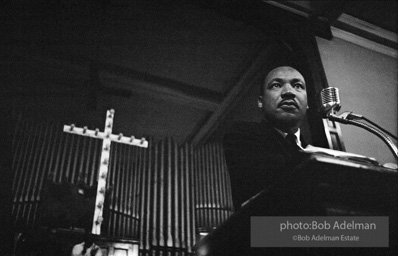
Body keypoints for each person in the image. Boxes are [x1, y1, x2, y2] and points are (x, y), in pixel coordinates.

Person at [223, 65, 310, 211]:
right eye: (276, 85)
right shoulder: (242, 135)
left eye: (297, 86)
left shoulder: (314, 152)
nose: (288, 92)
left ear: (308, 103)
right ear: (260, 101)